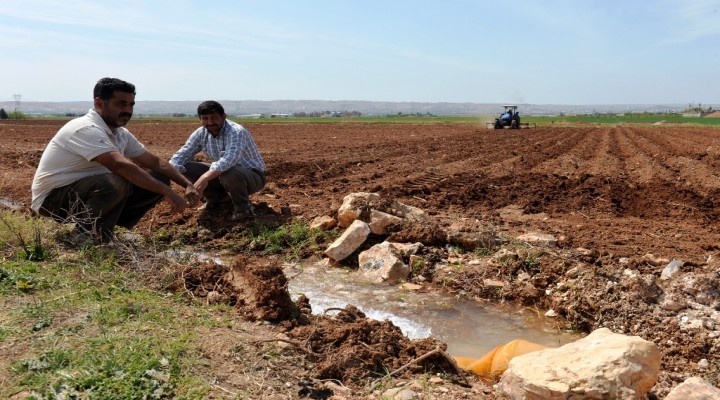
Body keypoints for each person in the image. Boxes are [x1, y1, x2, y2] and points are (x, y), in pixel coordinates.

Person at [31, 77, 200, 244]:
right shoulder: (85, 128)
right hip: (52, 201)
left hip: (83, 195)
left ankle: (104, 231)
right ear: (99, 103)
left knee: (158, 178)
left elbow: (155, 162)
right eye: (121, 104)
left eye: (131, 104)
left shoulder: (120, 133)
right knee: (116, 180)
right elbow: (120, 165)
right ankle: (85, 234)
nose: (128, 110)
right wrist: (168, 192)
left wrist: (187, 184)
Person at [169, 100, 266, 222]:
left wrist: (203, 179)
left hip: (252, 177)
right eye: (205, 118)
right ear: (200, 119)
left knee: (230, 172)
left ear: (224, 116)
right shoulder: (201, 133)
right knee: (184, 167)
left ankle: (243, 208)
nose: (210, 122)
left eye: (214, 118)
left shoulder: (236, 131)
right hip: (224, 175)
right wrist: (169, 180)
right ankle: (218, 198)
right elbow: (181, 155)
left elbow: (229, 160)